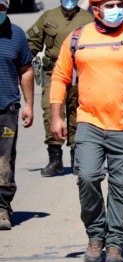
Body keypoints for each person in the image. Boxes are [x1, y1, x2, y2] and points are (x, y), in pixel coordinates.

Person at [50, 0, 123, 262]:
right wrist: (56, 117)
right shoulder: (78, 37)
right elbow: (59, 77)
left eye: (119, 3)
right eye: (109, 4)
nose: (117, 8)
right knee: (88, 178)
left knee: (122, 187)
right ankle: (95, 235)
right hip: (89, 123)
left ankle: (114, 243)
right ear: (96, 8)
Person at [26, 0, 93, 177]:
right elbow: (31, 43)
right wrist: (19, 62)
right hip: (53, 73)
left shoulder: (88, 18)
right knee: (50, 111)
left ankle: (76, 157)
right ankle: (55, 158)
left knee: (77, 114)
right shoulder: (48, 17)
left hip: (80, 74)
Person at [0, 0, 34, 231]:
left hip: (6, 110)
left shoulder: (17, 35)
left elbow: (26, 70)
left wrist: (29, 104)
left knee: (4, 162)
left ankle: (2, 209)